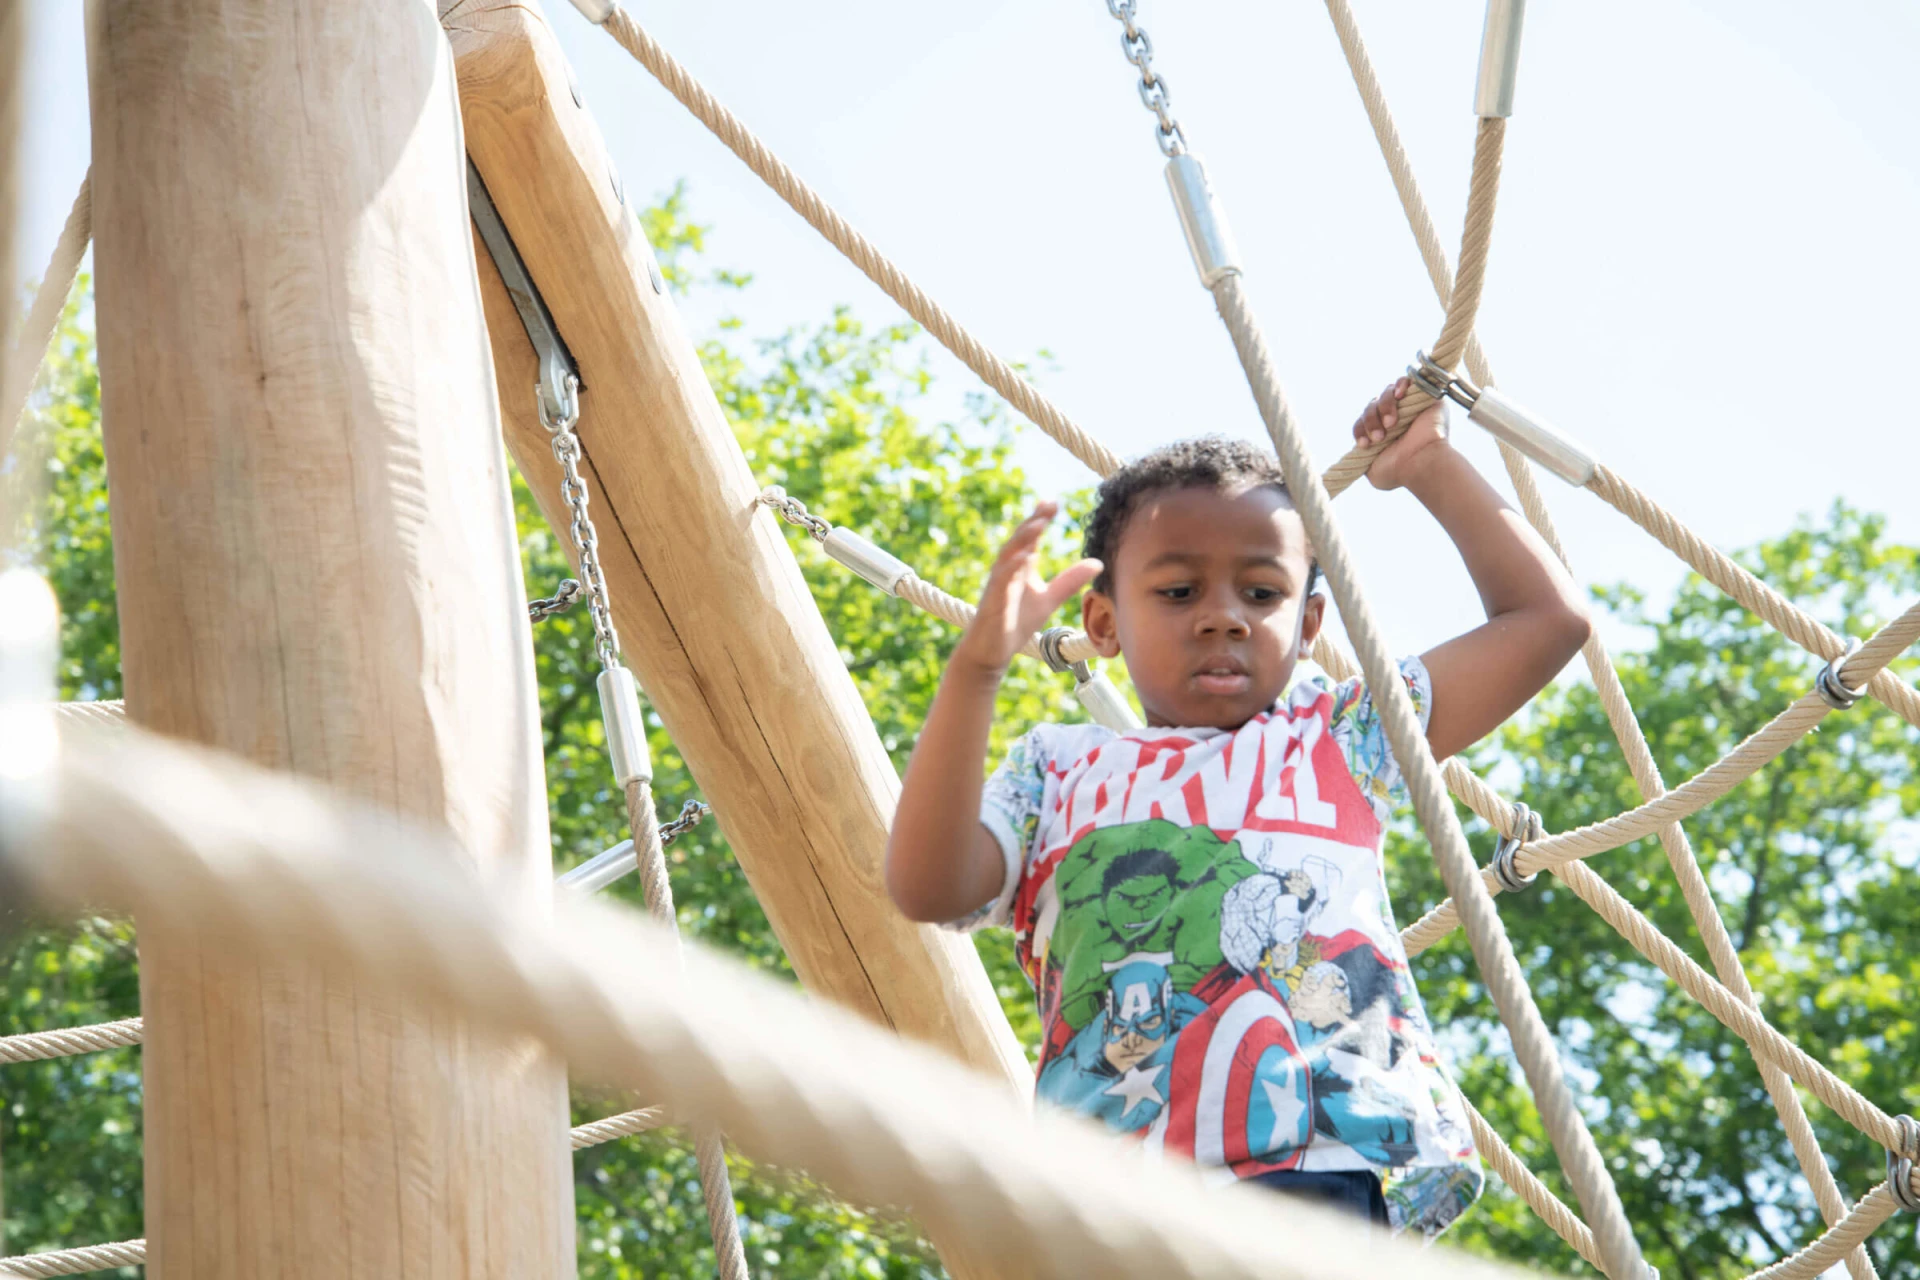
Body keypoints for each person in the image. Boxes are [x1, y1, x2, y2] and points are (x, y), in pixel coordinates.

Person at [884, 379, 1592, 1238]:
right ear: (1102, 622)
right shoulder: (1056, 770)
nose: (1222, 617)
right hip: (1108, 1196)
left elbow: (1548, 621)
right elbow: (928, 887)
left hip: (1310, 1165)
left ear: (1308, 622)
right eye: (1178, 592)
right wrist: (976, 674)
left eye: (1261, 594)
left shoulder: (1339, 737)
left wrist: (1429, 465)